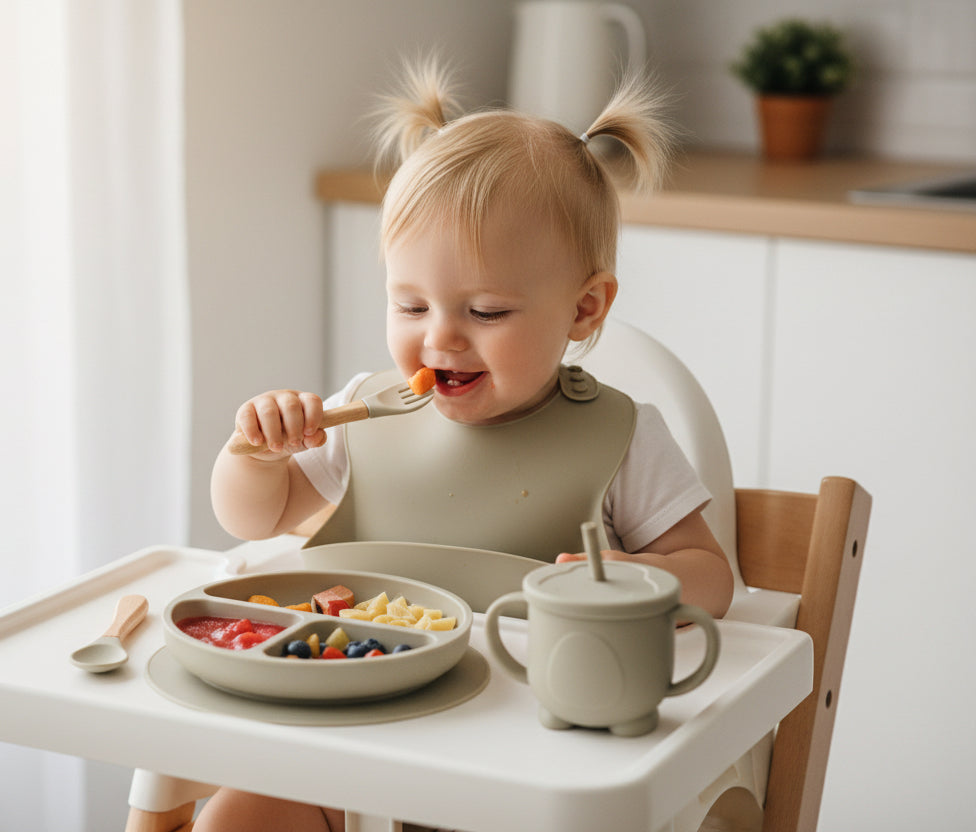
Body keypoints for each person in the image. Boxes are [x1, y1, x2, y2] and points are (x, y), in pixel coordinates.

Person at [198, 58, 734, 832]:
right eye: (410, 304)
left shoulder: (621, 438)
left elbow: (712, 578)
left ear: (585, 308)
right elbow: (256, 519)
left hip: (534, 760)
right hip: (354, 732)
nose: (439, 337)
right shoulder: (365, 414)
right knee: (234, 818)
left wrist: (646, 580)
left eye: (485, 311)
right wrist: (255, 454)